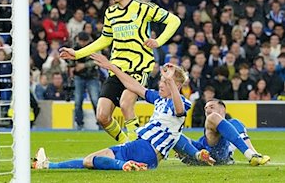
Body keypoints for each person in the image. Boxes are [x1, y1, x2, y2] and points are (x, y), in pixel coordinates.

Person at [60, 0, 181, 144]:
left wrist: (159, 41)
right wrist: (78, 53)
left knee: (125, 104)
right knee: (102, 116)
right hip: (115, 69)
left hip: (138, 68)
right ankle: (128, 144)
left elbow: (174, 21)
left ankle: (135, 149)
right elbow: (105, 39)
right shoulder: (110, 13)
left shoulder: (143, 8)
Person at [33, 55, 210, 171]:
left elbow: (179, 111)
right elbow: (134, 85)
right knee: (89, 161)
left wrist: (171, 81)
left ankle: (124, 165)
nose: (161, 84)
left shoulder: (182, 103)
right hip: (145, 153)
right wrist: (112, 67)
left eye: (165, 81)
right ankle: (48, 165)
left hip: (145, 148)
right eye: (162, 81)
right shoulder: (159, 99)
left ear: (176, 86)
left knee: (92, 160)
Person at [174, 99, 270, 166]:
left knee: (231, 121)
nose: (207, 110)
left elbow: (244, 138)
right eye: (205, 108)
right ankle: (195, 157)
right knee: (172, 133)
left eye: (211, 107)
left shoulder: (235, 124)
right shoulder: (211, 122)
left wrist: (255, 153)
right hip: (202, 149)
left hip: (219, 151)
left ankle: (252, 155)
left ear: (222, 110)